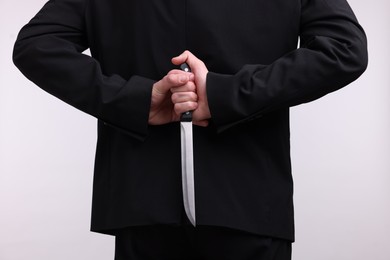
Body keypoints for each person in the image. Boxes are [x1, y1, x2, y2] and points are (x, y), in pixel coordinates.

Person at [13, 0, 368, 259]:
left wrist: (137, 99)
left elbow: (37, 45)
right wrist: (223, 95)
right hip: (247, 199)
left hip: (145, 201)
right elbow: (345, 48)